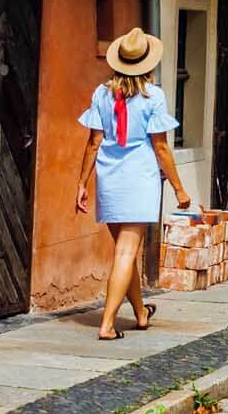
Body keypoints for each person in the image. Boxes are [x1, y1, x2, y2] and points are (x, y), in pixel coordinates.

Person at [75, 27, 192, 340]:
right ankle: (108, 324)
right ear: (147, 64)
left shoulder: (101, 94)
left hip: (109, 179)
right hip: (140, 180)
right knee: (126, 254)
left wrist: (82, 183)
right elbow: (161, 147)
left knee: (124, 252)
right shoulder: (153, 96)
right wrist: (180, 188)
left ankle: (140, 314)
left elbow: (93, 142)